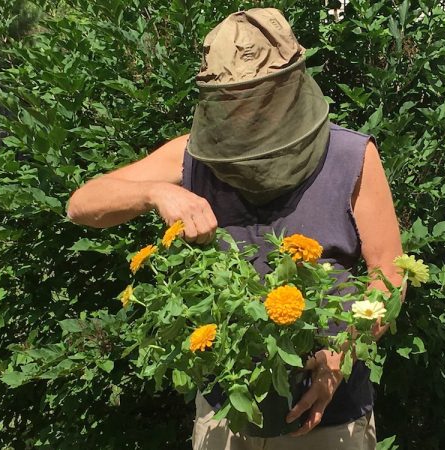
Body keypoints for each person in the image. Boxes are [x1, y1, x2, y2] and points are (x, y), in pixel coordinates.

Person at [67, 8, 403, 450]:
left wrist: (341, 355)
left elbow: (390, 277)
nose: (247, 110)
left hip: (330, 415)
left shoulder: (351, 154)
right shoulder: (193, 154)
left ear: (290, 86)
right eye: (234, 98)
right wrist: (155, 193)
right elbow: (81, 203)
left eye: (258, 96)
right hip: (227, 412)